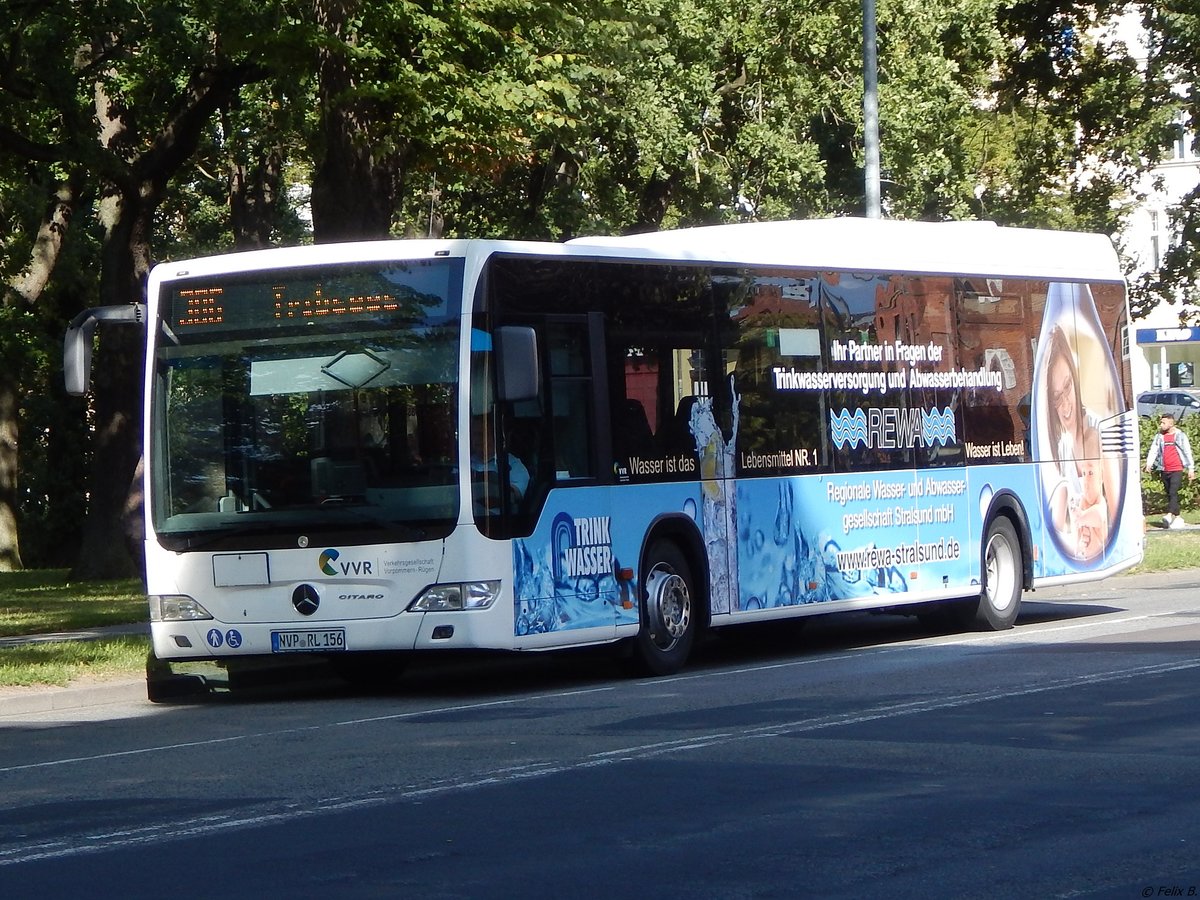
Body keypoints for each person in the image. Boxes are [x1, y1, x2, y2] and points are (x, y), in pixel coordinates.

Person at [1144, 413, 1194, 528]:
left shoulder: (1180, 435)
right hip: (1164, 469)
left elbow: (1187, 451)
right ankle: (1177, 517)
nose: (1161, 425)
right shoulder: (1159, 437)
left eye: (1163, 423)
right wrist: (1149, 463)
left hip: (1177, 469)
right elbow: (1154, 450)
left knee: (1173, 492)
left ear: (1171, 423)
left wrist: (1191, 468)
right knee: (1169, 494)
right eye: (1161, 422)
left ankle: (1169, 514)